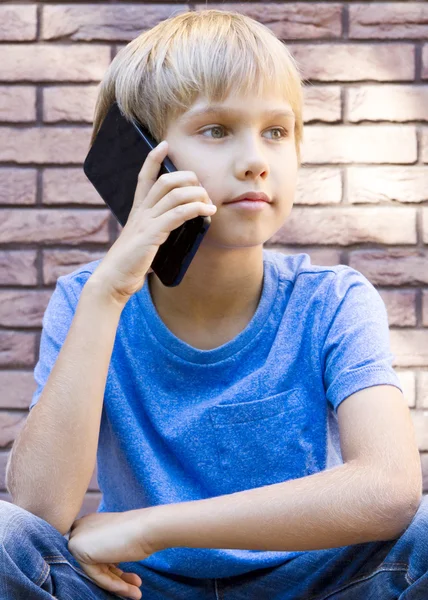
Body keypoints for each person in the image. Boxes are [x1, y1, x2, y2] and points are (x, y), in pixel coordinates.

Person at [1, 8, 426, 600]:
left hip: (314, 581)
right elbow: (37, 511)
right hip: (137, 588)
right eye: (217, 130)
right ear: (142, 157)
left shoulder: (333, 301)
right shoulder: (85, 299)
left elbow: (389, 488)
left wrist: (150, 527)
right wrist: (108, 293)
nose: (256, 158)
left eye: (276, 132)